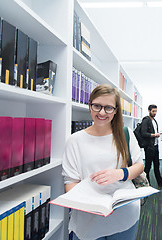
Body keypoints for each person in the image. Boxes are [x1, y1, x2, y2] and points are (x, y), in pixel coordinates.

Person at [62, 84, 144, 240]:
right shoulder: (75, 140)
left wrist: (119, 173)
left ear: (116, 110)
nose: (101, 112)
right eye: (97, 106)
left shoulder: (126, 134)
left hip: (125, 215)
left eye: (108, 108)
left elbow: (139, 166)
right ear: (90, 105)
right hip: (88, 218)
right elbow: (70, 182)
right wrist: (90, 203)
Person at [140, 104, 162, 188]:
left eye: (156, 111)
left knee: (157, 165)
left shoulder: (154, 120)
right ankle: (146, 185)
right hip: (149, 147)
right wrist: (155, 135)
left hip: (155, 146)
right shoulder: (146, 120)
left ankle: (160, 183)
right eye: (153, 111)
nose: (155, 113)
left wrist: (160, 133)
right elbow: (144, 133)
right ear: (149, 111)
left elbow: (153, 132)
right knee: (148, 167)